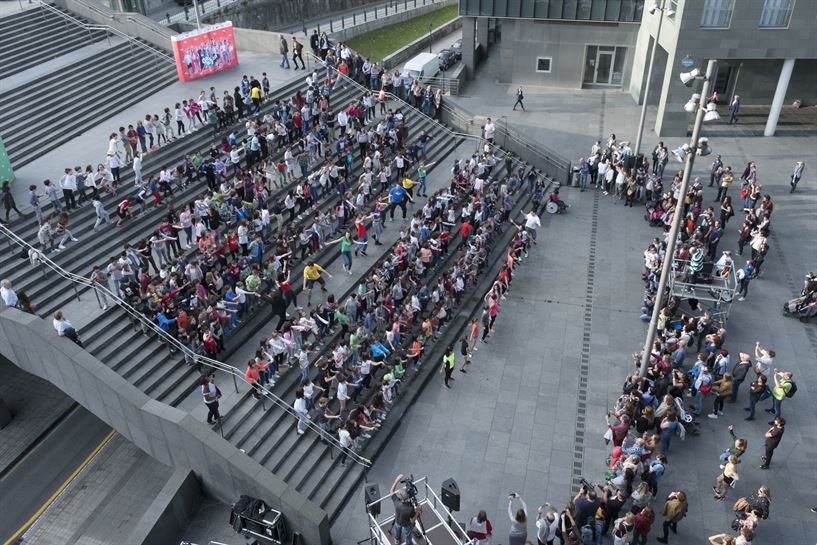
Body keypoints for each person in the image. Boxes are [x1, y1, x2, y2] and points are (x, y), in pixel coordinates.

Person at [390, 474, 418, 545]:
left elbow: (391, 491)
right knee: (408, 536)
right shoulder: (410, 508)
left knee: (397, 529)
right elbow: (412, 521)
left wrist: (396, 480)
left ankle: (397, 539)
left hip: (397, 520)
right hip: (407, 524)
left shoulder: (396, 501)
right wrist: (417, 511)